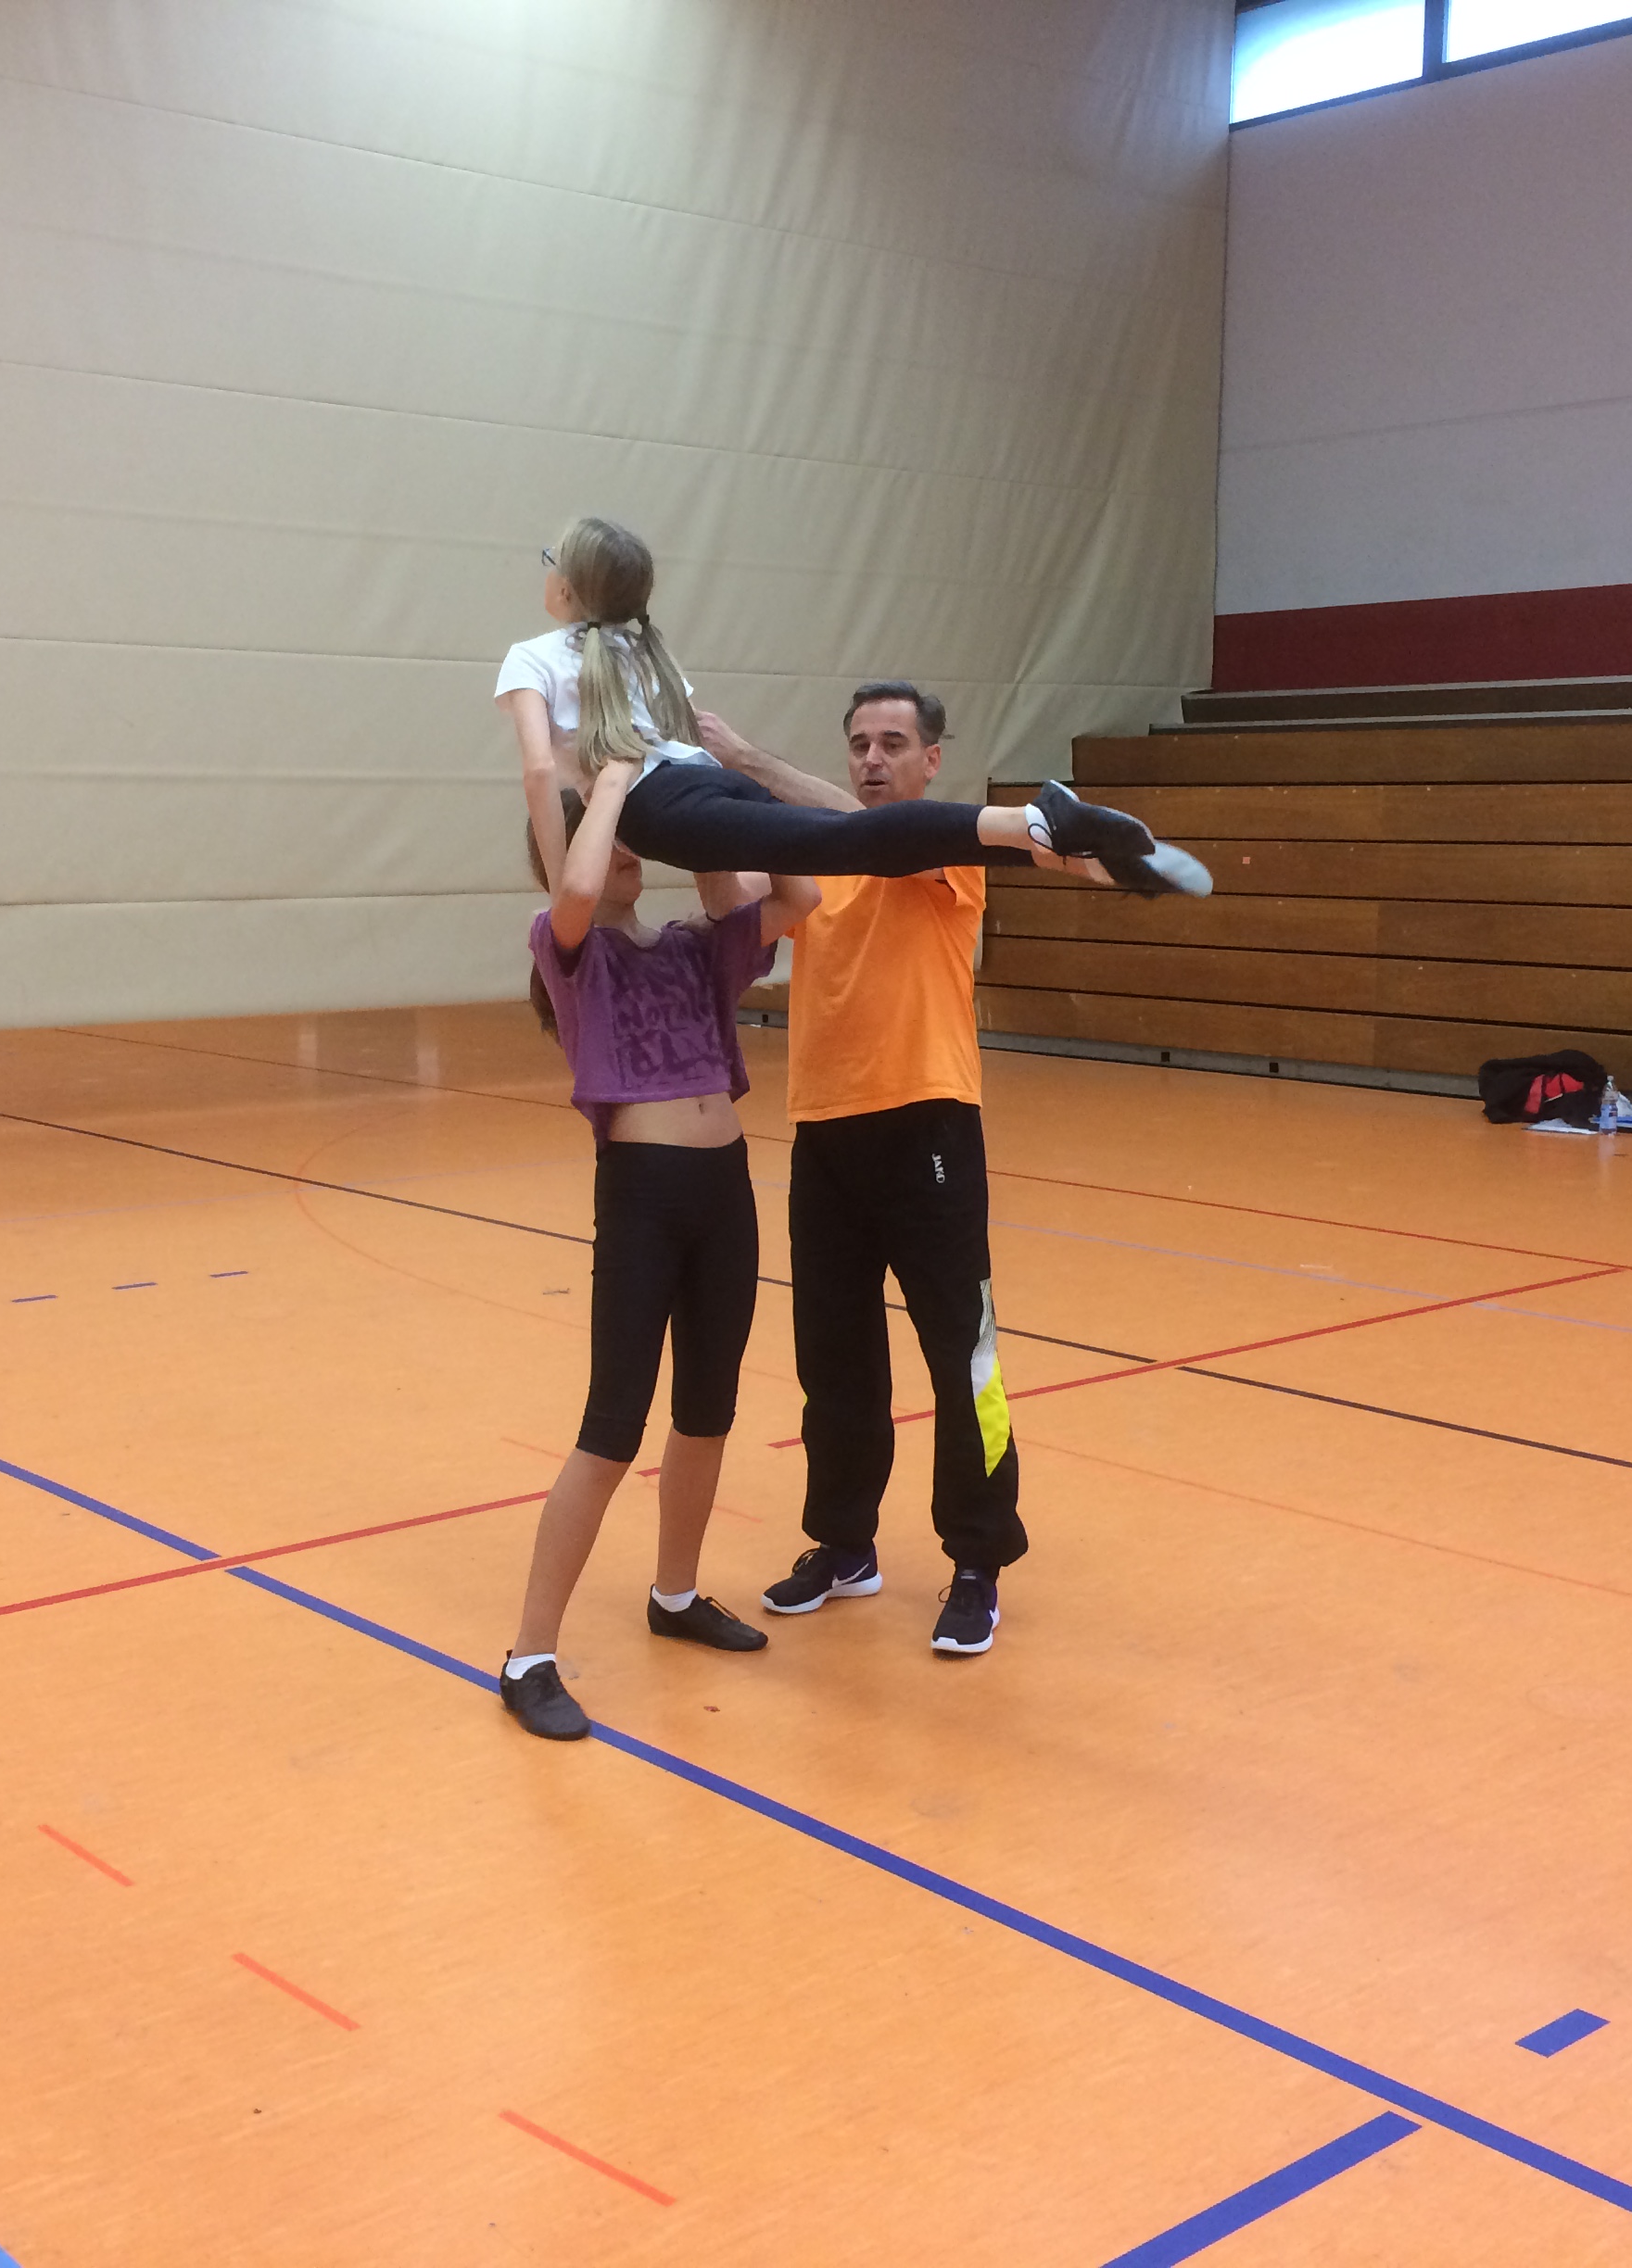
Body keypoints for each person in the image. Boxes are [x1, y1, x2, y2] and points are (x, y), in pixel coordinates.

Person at [690, 686, 1034, 1657]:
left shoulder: (949, 846)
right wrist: (689, 803)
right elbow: (736, 912)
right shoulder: (820, 860)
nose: (872, 759)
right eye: (859, 744)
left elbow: (880, 839)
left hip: (929, 1126)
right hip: (826, 1133)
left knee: (962, 1358)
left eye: (892, 743)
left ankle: (978, 1559)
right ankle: (845, 1545)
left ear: (932, 760)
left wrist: (749, 762)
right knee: (833, 1359)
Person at [500, 762, 821, 1741]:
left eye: (644, 834)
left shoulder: (691, 945)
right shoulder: (566, 948)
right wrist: (610, 782)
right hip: (644, 1194)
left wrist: (719, 804)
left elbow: (800, 896)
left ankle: (674, 1595)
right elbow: (580, 889)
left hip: (725, 1192)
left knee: (708, 1409)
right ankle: (530, 1656)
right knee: (612, 1428)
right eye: (618, 835)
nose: (633, 848)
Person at [495, 517, 1208, 903]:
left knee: (848, 841)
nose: (546, 572)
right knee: (848, 839)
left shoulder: (534, 657)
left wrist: (561, 887)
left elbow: (539, 775)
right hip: (701, 787)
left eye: (551, 560)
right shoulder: (649, 655)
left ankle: (1038, 823)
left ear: (569, 587)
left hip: (663, 812)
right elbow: (693, 761)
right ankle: (1064, 852)